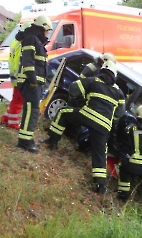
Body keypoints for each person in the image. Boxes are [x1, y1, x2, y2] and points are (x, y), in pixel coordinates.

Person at [40, 60, 126, 194]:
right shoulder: (119, 93)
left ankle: (52, 141)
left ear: (102, 70)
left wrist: (81, 96)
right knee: (100, 153)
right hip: (104, 126)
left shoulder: (93, 81)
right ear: (114, 75)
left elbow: (73, 89)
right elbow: (119, 114)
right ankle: (100, 185)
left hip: (88, 115)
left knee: (63, 112)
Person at [16, 16, 52, 153]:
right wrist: (32, 80)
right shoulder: (31, 39)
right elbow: (28, 62)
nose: (47, 34)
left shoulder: (35, 40)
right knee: (32, 110)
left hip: (34, 82)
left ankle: (27, 138)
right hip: (30, 82)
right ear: (41, 28)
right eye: (46, 31)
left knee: (31, 110)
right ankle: (25, 141)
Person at [0, 21, 32, 130]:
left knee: (15, 100)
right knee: (18, 101)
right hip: (20, 76)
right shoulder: (23, 44)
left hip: (15, 75)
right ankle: (12, 124)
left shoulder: (16, 41)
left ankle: (5, 119)